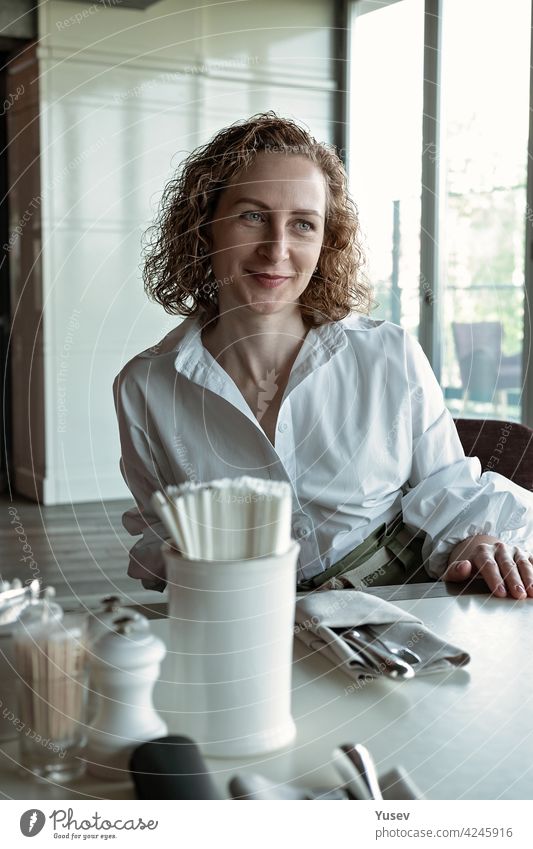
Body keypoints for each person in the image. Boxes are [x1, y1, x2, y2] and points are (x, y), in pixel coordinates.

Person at [113, 111, 533, 598]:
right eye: (252, 216)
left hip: (393, 610)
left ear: (325, 242)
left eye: (303, 225)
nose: (276, 249)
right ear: (205, 226)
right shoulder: (145, 385)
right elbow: (163, 528)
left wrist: (478, 541)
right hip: (241, 616)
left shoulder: (387, 354)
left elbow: (448, 496)